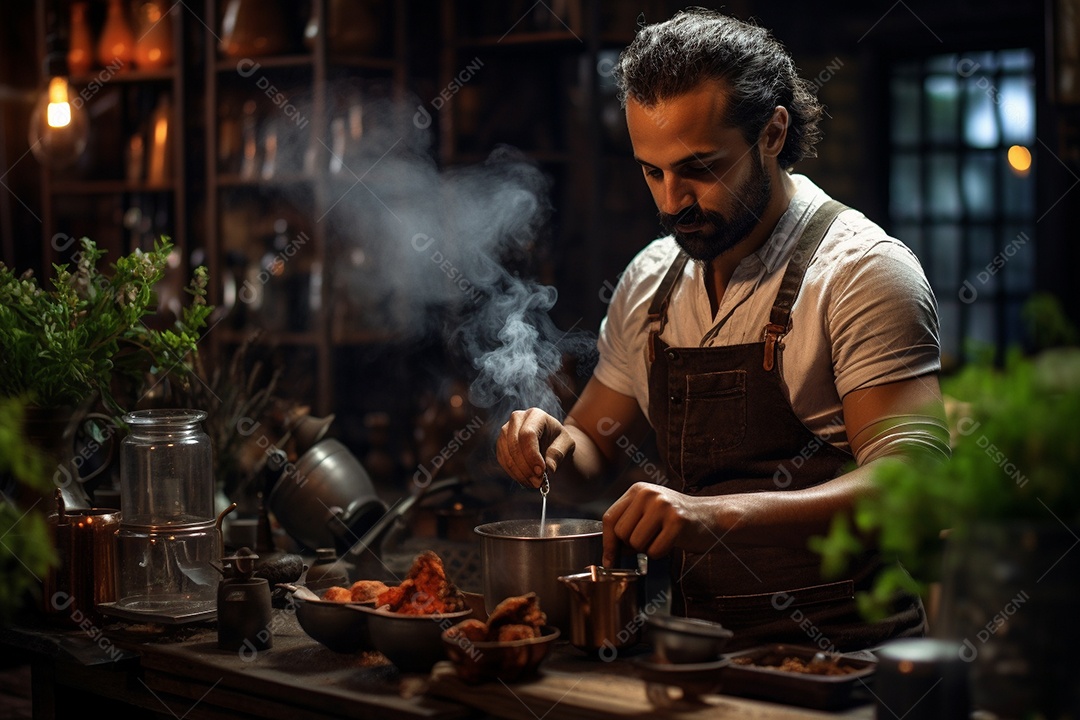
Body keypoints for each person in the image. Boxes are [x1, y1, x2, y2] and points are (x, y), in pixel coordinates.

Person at [495, 8, 952, 651]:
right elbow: (592, 452)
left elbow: (918, 485)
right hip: (697, 654)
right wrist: (553, 445)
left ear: (772, 133)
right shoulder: (652, 282)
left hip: (844, 662)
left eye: (699, 169)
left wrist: (715, 517)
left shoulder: (861, 273)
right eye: (651, 171)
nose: (670, 201)